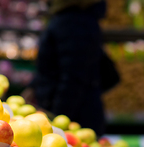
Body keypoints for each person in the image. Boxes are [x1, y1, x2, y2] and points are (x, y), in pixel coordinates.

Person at [31, 0, 119, 136]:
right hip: (79, 113)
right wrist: (33, 87)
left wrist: (57, 117)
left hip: (77, 119)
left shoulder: (73, 22)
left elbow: (73, 77)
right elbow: (58, 65)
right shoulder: (74, 19)